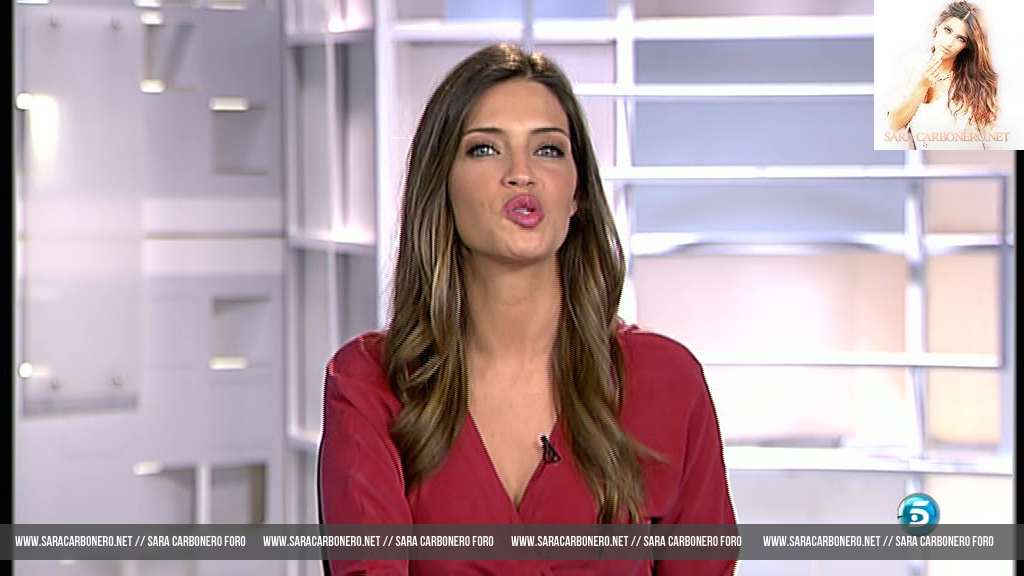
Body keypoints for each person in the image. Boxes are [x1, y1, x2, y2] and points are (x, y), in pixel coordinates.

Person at [317, 43, 737, 576]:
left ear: (577, 193)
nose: (522, 173)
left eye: (549, 150)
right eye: (485, 149)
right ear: (441, 187)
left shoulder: (667, 380)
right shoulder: (368, 382)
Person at [886, 1, 1001, 150]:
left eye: (961, 38)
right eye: (947, 30)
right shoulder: (911, 65)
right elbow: (894, 123)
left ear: (967, 46)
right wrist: (922, 85)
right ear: (937, 26)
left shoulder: (975, 82)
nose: (949, 42)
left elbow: (993, 143)